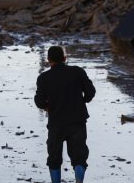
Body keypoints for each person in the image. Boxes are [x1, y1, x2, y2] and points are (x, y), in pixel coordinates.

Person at [34, 46, 96, 183]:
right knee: (79, 158)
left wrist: (46, 107)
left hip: (56, 123)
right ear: (65, 58)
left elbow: (38, 101)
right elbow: (91, 92)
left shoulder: (44, 78)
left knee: (54, 159)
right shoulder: (78, 72)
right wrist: (82, 101)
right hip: (77, 122)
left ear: (48, 60)